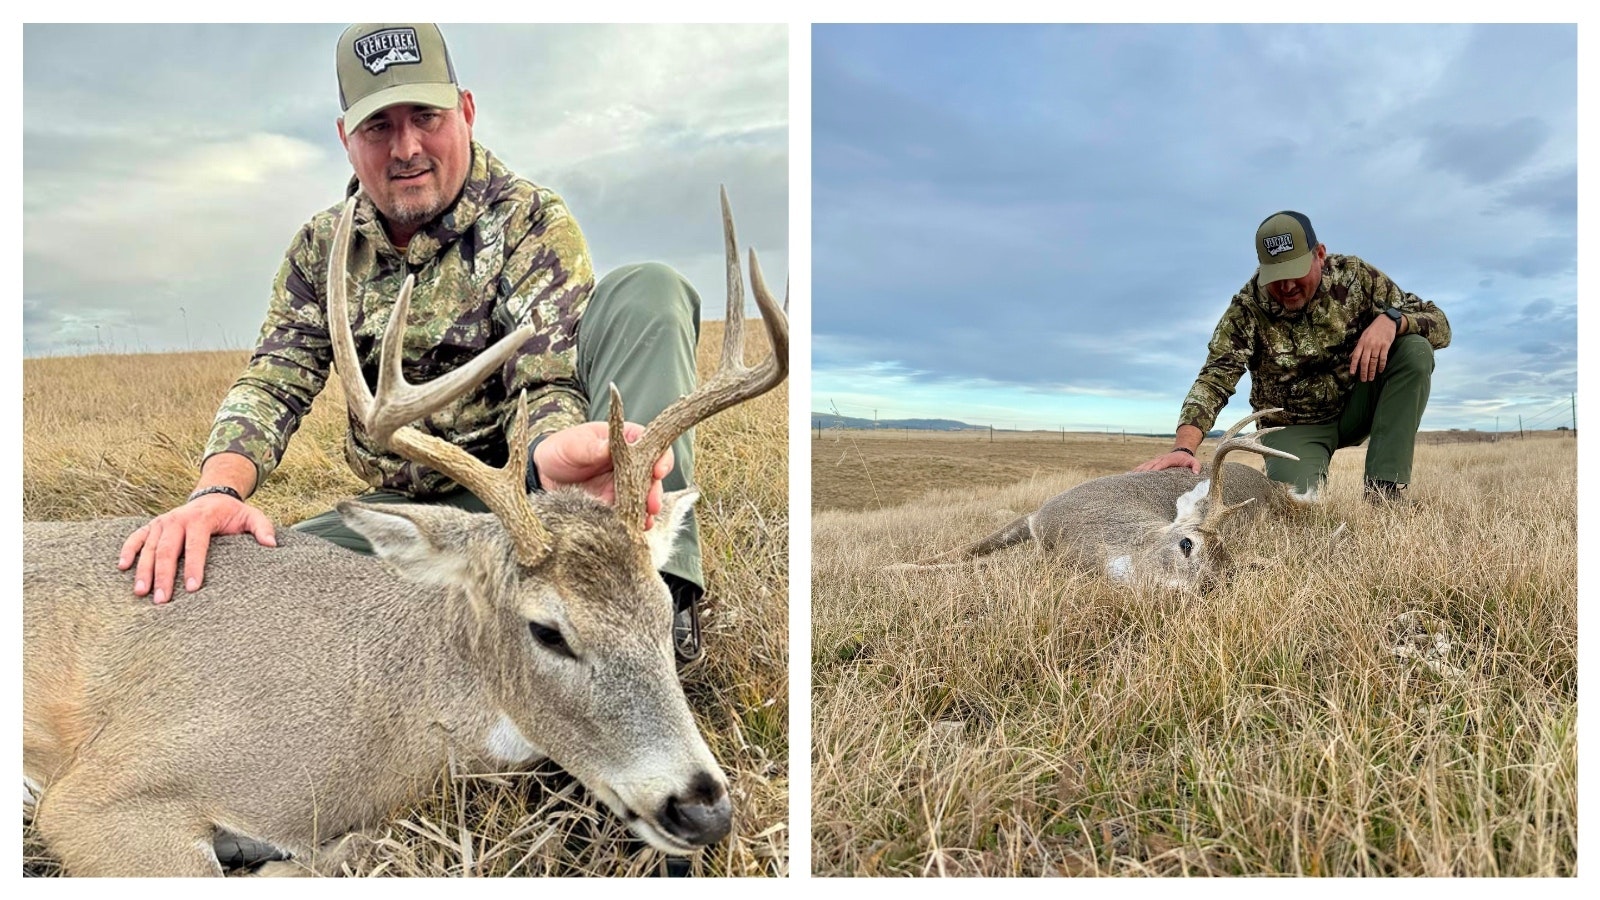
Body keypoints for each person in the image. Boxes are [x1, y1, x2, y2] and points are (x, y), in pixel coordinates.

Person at [116, 24, 710, 666]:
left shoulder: (530, 220)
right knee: (244, 581)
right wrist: (217, 493)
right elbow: (273, 382)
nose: (406, 148)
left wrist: (547, 459)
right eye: (379, 127)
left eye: (426, 116)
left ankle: (655, 597)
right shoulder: (321, 248)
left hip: (528, 501)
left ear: (467, 112)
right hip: (409, 513)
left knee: (647, 290)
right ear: (346, 139)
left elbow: (547, 376)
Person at [1134, 210, 1451, 502]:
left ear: (1320, 255)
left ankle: (1384, 491)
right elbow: (1215, 378)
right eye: (1275, 276)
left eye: (1295, 271)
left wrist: (1394, 320)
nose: (1286, 286)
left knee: (1414, 349)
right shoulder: (1247, 309)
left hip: (1357, 406)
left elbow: (1440, 325)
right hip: (1293, 427)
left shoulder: (1356, 277)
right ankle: (1290, 476)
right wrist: (1184, 447)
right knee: (1297, 506)